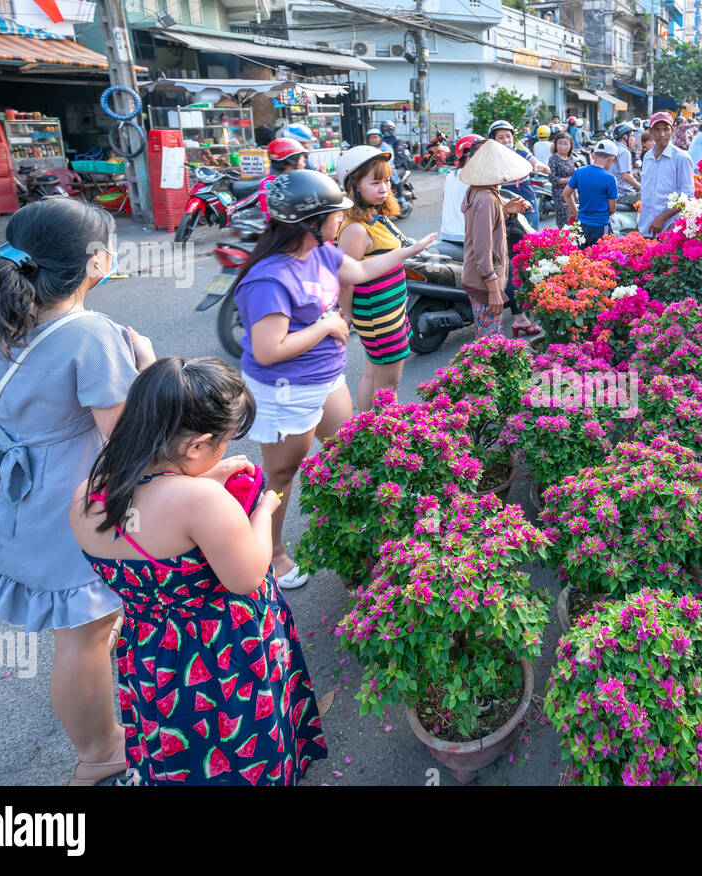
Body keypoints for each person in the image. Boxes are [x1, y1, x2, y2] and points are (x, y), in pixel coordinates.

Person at [0, 198, 155, 785]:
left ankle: (98, 736)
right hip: (72, 500)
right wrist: (148, 367)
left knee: (83, 628)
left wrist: (29, 423)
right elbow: (128, 435)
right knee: (82, 639)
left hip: (14, 493)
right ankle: (101, 753)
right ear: (96, 262)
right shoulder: (92, 334)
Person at [70, 357, 328, 785]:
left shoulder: (87, 495)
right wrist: (263, 509)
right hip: (224, 652)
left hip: (152, 651)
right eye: (223, 442)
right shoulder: (203, 504)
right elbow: (246, 576)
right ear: (197, 445)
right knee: (238, 738)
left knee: (178, 741)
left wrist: (203, 477)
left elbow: (150, 520)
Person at [232, 169, 436, 590]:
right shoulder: (270, 277)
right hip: (285, 390)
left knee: (353, 449)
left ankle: (372, 526)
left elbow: (360, 273)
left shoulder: (321, 253)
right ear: (309, 222)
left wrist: (410, 250)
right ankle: (272, 554)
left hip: (327, 380)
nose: (342, 220)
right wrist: (326, 327)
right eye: (335, 214)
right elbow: (270, 349)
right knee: (283, 474)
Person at [335, 146, 415, 408]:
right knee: (388, 383)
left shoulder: (375, 216)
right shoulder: (356, 229)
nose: (384, 188)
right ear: (353, 186)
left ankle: (369, 432)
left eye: (387, 181)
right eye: (375, 182)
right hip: (377, 315)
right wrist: (346, 317)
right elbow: (346, 279)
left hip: (391, 309)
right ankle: (385, 436)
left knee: (373, 374)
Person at [460, 140, 532, 339]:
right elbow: (482, 249)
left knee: (488, 340)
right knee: (490, 343)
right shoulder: (487, 198)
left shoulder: (479, 191)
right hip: (483, 281)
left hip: (477, 277)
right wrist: (493, 289)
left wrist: (505, 211)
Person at [637, 112, 695, 239]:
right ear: (650, 132)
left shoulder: (681, 158)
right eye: (657, 130)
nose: (661, 135)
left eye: (666, 130)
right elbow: (647, 193)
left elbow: (688, 196)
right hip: (646, 228)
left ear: (672, 130)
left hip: (669, 230)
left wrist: (662, 217)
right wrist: (640, 222)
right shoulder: (647, 157)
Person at [488, 119, 548, 230]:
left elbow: (545, 169)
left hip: (527, 204)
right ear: (493, 140)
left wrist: (540, 167)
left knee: (531, 242)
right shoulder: (490, 160)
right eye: (501, 137)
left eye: (508, 136)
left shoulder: (522, 154)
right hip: (504, 207)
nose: (506, 140)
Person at [564, 139, 618, 247]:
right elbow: (612, 209)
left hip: (582, 225)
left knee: (582, 258)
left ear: (594, 155)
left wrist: (577, 213)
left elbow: (566, 194)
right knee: (601, 259)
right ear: (611, 159)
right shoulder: (610, 179)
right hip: (601, 226)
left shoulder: (579, 172)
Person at [257, 137, 307, 222]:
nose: (304, 164)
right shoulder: (298, 182)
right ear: (292, 162)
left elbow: (265, 215)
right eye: (302, 160)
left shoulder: (266, 183)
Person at [547, 131, 576, 229]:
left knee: (573, 218)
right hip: (559, 193)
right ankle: (563, 241)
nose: (563, 146)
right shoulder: (553, 159)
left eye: (565, 144)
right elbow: (552, 178)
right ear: (555, 145)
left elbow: (574, 175)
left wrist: (576, 192)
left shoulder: (570, 157)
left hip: (572, 191)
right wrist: (569, 180)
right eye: (560, 143)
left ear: (570, 145)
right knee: (563, 220)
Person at [610, 123, 642, 206]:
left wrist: (633, 174)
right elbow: (626, 176)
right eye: (632, 136)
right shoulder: (624, 152)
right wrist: (641, 188)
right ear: (625, 137)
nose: (634, 139)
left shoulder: (613, 148)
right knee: (651, 196)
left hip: (613, 193)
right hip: (623, 195)